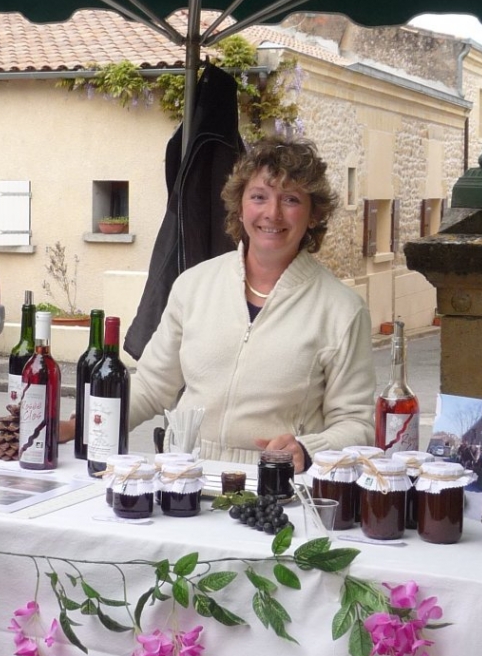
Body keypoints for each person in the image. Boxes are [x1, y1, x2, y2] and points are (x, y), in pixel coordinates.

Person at [128, 135, 375, 471]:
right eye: (259, 197)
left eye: (290, 199)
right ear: (240, 206)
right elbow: (150, 387)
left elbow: (357, 424)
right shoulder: (194, 285)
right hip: (184, 474)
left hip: (275, 486)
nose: (272, 214)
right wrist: (80, 421)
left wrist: (308, 448)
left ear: (314, 214)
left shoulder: (343, 310)